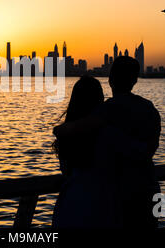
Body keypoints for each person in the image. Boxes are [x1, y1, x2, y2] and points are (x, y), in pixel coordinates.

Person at [53, 56, 161, 228]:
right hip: (153, 193)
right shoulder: (150, 109)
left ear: (110, 79)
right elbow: (151, 148)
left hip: (117, 201)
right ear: (135, 79)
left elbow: (67, 132)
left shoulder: (106, 112)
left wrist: (58, 130)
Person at [52, 75, 125, 228]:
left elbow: (66, 170)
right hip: (104, 206)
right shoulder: (112, 132)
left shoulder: (66, 134)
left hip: (72, 203)